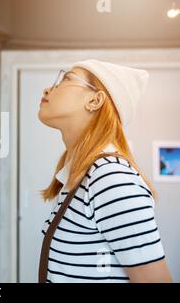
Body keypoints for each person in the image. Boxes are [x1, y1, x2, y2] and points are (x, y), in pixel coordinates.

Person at [38, 59, 172, 283]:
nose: (48, 89)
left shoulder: (110, 178)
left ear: (94, 100)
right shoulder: (80, 176)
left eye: (67, 78)